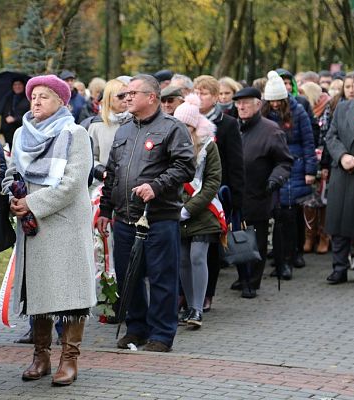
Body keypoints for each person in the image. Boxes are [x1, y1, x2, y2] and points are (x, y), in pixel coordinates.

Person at [2, 74, 96, 386]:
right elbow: (12, 171)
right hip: (34, 227)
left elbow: (72, 183)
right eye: (33, 96)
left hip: (65, 224)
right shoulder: (20, 135)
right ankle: (40, 355)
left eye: (44, 96)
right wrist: (13, 196)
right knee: (38, 289)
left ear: (61, 101)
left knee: (70, 293)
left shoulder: (75, 133)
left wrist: (32, 201)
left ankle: (69, 358)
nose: (37, 101)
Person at [97, 74, 195, 352]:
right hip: (125, 217)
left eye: (132, 93)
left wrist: (156, 186)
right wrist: (105, 209)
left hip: (159, 217)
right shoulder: (124, 130)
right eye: (124, 94)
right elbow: (112, 173)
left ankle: (162, 334)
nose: (126, 97)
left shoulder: (172, 128)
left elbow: (185, 166)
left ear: (151, 97)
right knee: (129, 276)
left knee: (162, 277)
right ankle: (136, 329)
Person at [231, 87, 292, 298]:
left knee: (256, 240)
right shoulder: (233, 127)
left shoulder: (271, 130)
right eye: (238, 103)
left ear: (258, 104)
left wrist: (275, 178)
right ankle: (242, 276)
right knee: (237, 236)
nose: (241, 106)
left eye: (246, 102)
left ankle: (252, 281)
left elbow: (284, 161)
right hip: (235, 193)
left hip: (259, 192)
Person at [193, 75, 244, 312]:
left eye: (204, 93)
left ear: (215, 97)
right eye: (196, 91)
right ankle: (187, 294)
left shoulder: (227, 123)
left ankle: (207, 294)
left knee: (210, 247)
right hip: (189, 191)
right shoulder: (185, 119)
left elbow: (235, 163)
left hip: (215, 194)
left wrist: (236, 199)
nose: (199, 96)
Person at [262, 71, 316, 280]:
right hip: (271, 167)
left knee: (289, 215)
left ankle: (289, 258)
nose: (275, 105)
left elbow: (308, 142)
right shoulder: (265, 114)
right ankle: (279, 257)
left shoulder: (298, 111)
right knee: (276, 216)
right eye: (272, 101)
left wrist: (310, 170)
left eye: (278, 101)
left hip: (294, 166)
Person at [173, 94, 221, 328]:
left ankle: (198, 309)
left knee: (197, 257)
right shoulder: (171, 144)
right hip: (176, 210)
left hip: (203, 211)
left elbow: (213, 181)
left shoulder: (208, 146)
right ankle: (189, 306)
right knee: (182, 259)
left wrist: (189, 208)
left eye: (186, 126)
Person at [324, 67, 354, 285]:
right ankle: (339, 268)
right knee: (338, 224)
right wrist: (342, 157)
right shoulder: (342, 108)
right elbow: (331, 136)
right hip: (342, 173)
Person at [300, 82, 333, 254]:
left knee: (323, 199)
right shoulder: (304, 109)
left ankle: (323, 236)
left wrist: (324, 159)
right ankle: (309, 235)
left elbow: (327, 134)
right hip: (309, 157)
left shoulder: (327, 108)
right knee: (309, 200)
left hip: (323, 157)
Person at [88, 78, 129, 182]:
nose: (126, 99)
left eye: (128, 95)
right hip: (105, 183)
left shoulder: (137, 121)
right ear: (109, 99)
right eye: (121, 96)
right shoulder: (97, 125)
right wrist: (102, 172)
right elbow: (90, 156)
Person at [0, 78, 30, 148]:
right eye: (15, 84)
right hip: (9, 134)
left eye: (19, 84)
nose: (17, 86)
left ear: (24, 86)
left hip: (23, 133)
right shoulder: (9, 98)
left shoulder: (28, 99)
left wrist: (15, 119)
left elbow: (30, 115)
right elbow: (4, 113)